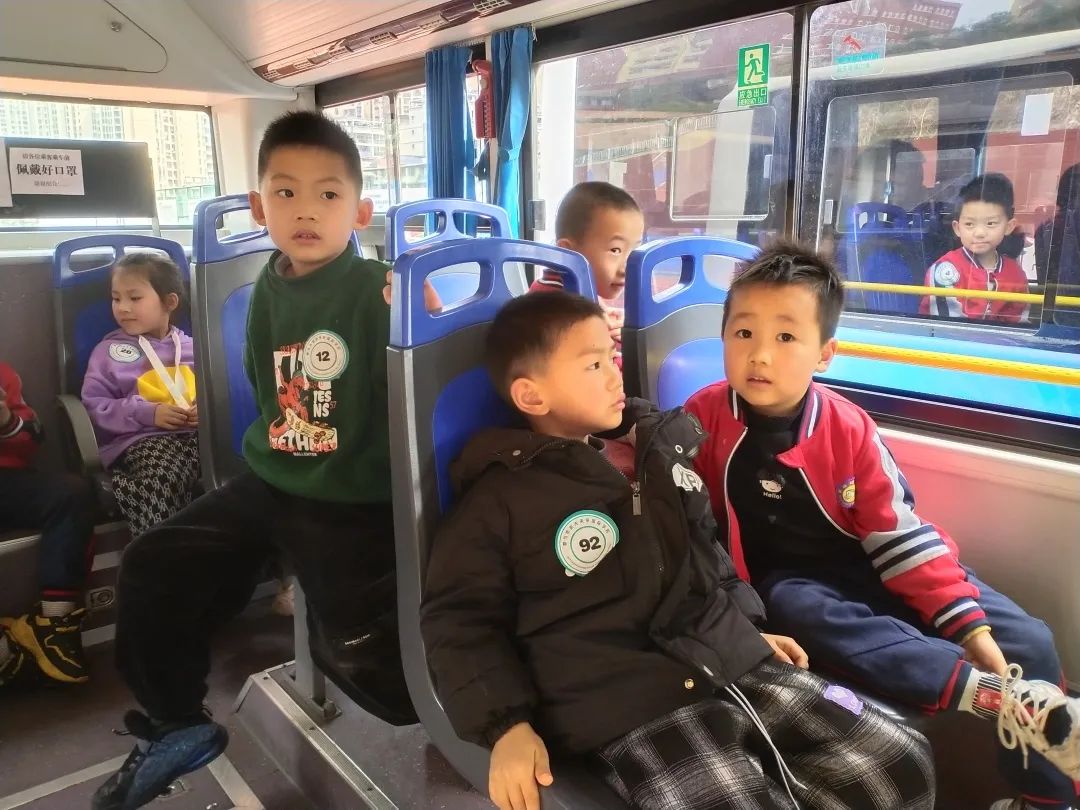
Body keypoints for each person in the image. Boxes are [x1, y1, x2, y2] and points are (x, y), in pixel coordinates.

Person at [420, 290, 936, 810]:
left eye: (612, 357)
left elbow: (706, 551)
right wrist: (506, 726)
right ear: (532, 397)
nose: (615, 375)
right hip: (627, 701)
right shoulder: (500, 498)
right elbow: (460, 619)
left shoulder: (655, 450)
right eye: (594, 365)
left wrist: (746, 626)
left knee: (901, 763)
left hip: (727, 656)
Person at [685, 238, 1080, 810]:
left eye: (786, 338)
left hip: (879, 563)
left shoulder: (849, 430)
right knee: (796, 606)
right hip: (794, 584)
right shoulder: (702, 418)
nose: (760, 355)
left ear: (825, 354)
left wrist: (970, 629)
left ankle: (1044, 798)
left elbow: (902, 539)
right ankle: (983, 693)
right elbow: (670, 495)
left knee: (1029, 639)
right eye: (743, 333)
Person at [92, 110, 403, 810]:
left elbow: (413, 392)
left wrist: (416, 308)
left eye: (328, 194)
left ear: (360, 212)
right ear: (261, 208)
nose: (306, 211)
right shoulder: (267, 286)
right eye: (285, 193)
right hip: (274, 476)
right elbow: (267, 391)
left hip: (352, 494)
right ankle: (176, 723)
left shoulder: (379, 287)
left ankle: (472, 713)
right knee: (152, 564)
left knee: (357, 656)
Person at [81, 253, 199, 536]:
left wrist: (206, 409)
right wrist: (147, 413)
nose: (123, 307)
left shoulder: (195, 347)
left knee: (244, 466)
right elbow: (95, 406)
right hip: (142, 439)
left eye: (134, 298)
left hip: (198, 436)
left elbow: (221, 392)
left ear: (169, 302)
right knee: (164, 478)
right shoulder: (107, 353)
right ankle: (158, 554)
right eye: (116, 298)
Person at [0, 361, 95, 686]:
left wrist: (7, 421)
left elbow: (32, 437)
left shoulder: (3, 373)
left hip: (8, 481)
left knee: (70, 493)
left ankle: (55, 625)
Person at [530, 181, 645, 369]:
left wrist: (608, 319)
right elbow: (596, 369)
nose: (627, 267)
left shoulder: (566, 287)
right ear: (568, 253)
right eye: (615, 250)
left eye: (633, 251)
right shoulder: (558, 308)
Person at [920, 173, 1030, 323]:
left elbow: (1018, 324)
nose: (979, 233)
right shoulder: (945, 270)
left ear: (1009, 226)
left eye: (991, 223)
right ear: (957, 228)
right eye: (969, 224)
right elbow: (947, 327)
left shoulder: (1015, 274)